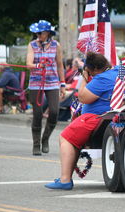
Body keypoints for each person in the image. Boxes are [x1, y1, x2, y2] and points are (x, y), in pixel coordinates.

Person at [44, 52, 118, 190]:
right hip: (106, 115)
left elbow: (82, 97)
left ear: (95, 69)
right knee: (73, 139)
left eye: (89, 70)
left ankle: (65, 180)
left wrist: (84, 77)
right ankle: (65, 177)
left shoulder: (102, 78)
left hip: (95, 117)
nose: (88, 72)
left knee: (65, 138)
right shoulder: (116, 72)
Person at [26, 20, 66, 156]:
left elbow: (60, 65)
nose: (38, 35)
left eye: (40, 33)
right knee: (37, 114)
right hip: (36, 83)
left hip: (53, 82)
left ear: (48, 33)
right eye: (37, 33)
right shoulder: (32, 45)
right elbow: (28, 64)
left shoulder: (56, 46)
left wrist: (62, 84)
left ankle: (45, 139)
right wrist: (38, 66)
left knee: (54, 112)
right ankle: (36, 145)